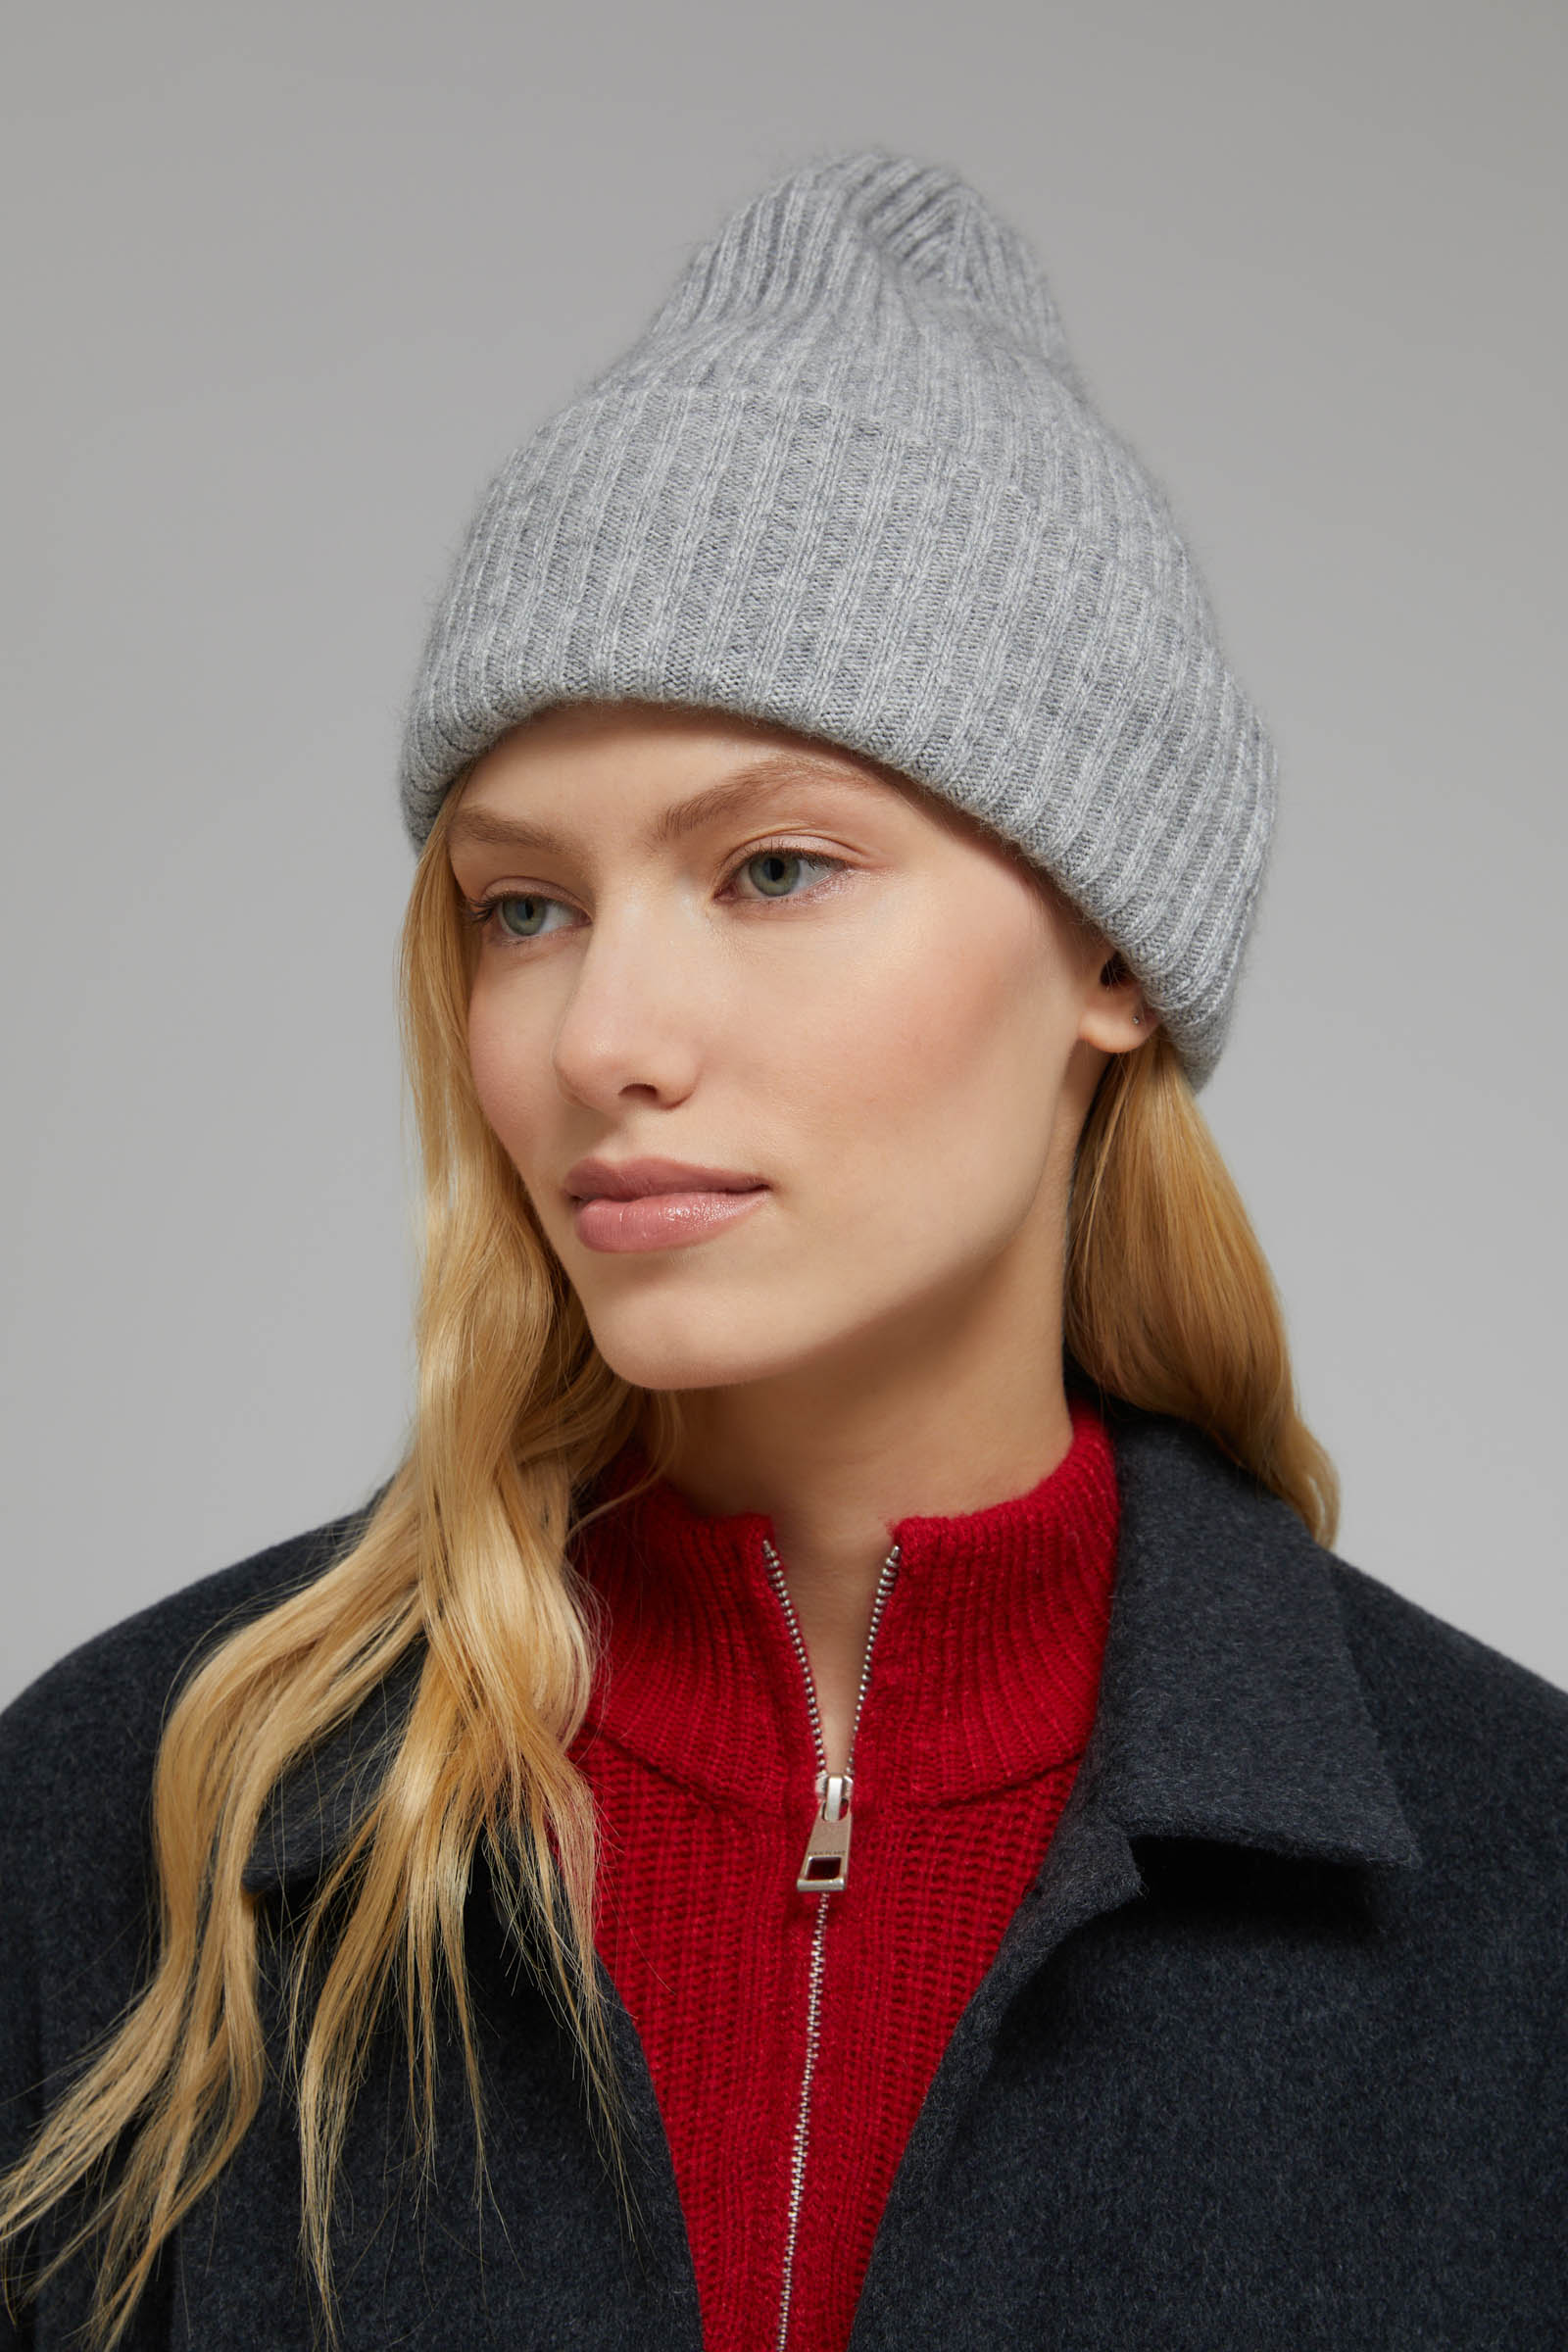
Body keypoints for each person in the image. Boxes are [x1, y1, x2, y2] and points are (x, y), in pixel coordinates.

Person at [1, 147, 1563, 2352]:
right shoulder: (130, 1816)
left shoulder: (1517, 1891)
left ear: (1110, 950)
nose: (600, 1039)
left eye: (772, 871)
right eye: (523, 907)